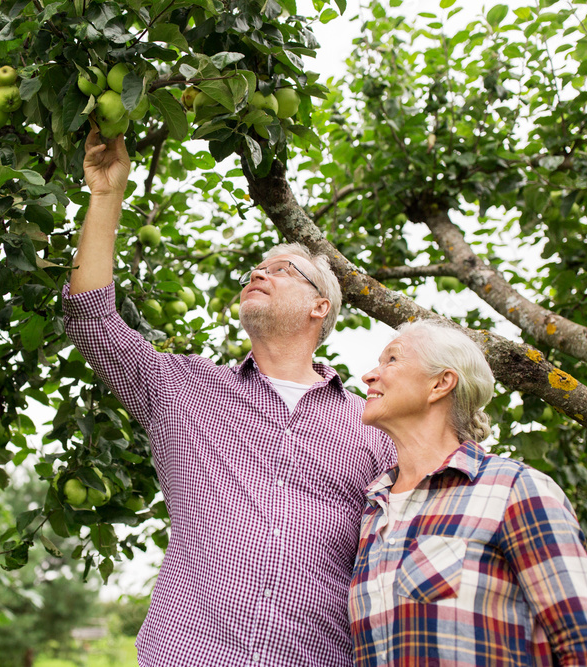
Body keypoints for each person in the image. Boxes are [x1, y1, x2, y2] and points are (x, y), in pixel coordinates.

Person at [63, 127, 395, 666]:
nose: (259, 271)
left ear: (320, 309)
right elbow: (91, 318)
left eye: (281, 270)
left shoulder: (374, 423)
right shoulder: (183, 391)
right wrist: (106, 196)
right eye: (255, 267)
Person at [350, 320, 587, 666]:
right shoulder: (373, 510)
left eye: (391, 360)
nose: (369, 375)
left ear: (441, 383)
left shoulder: (513, 490)